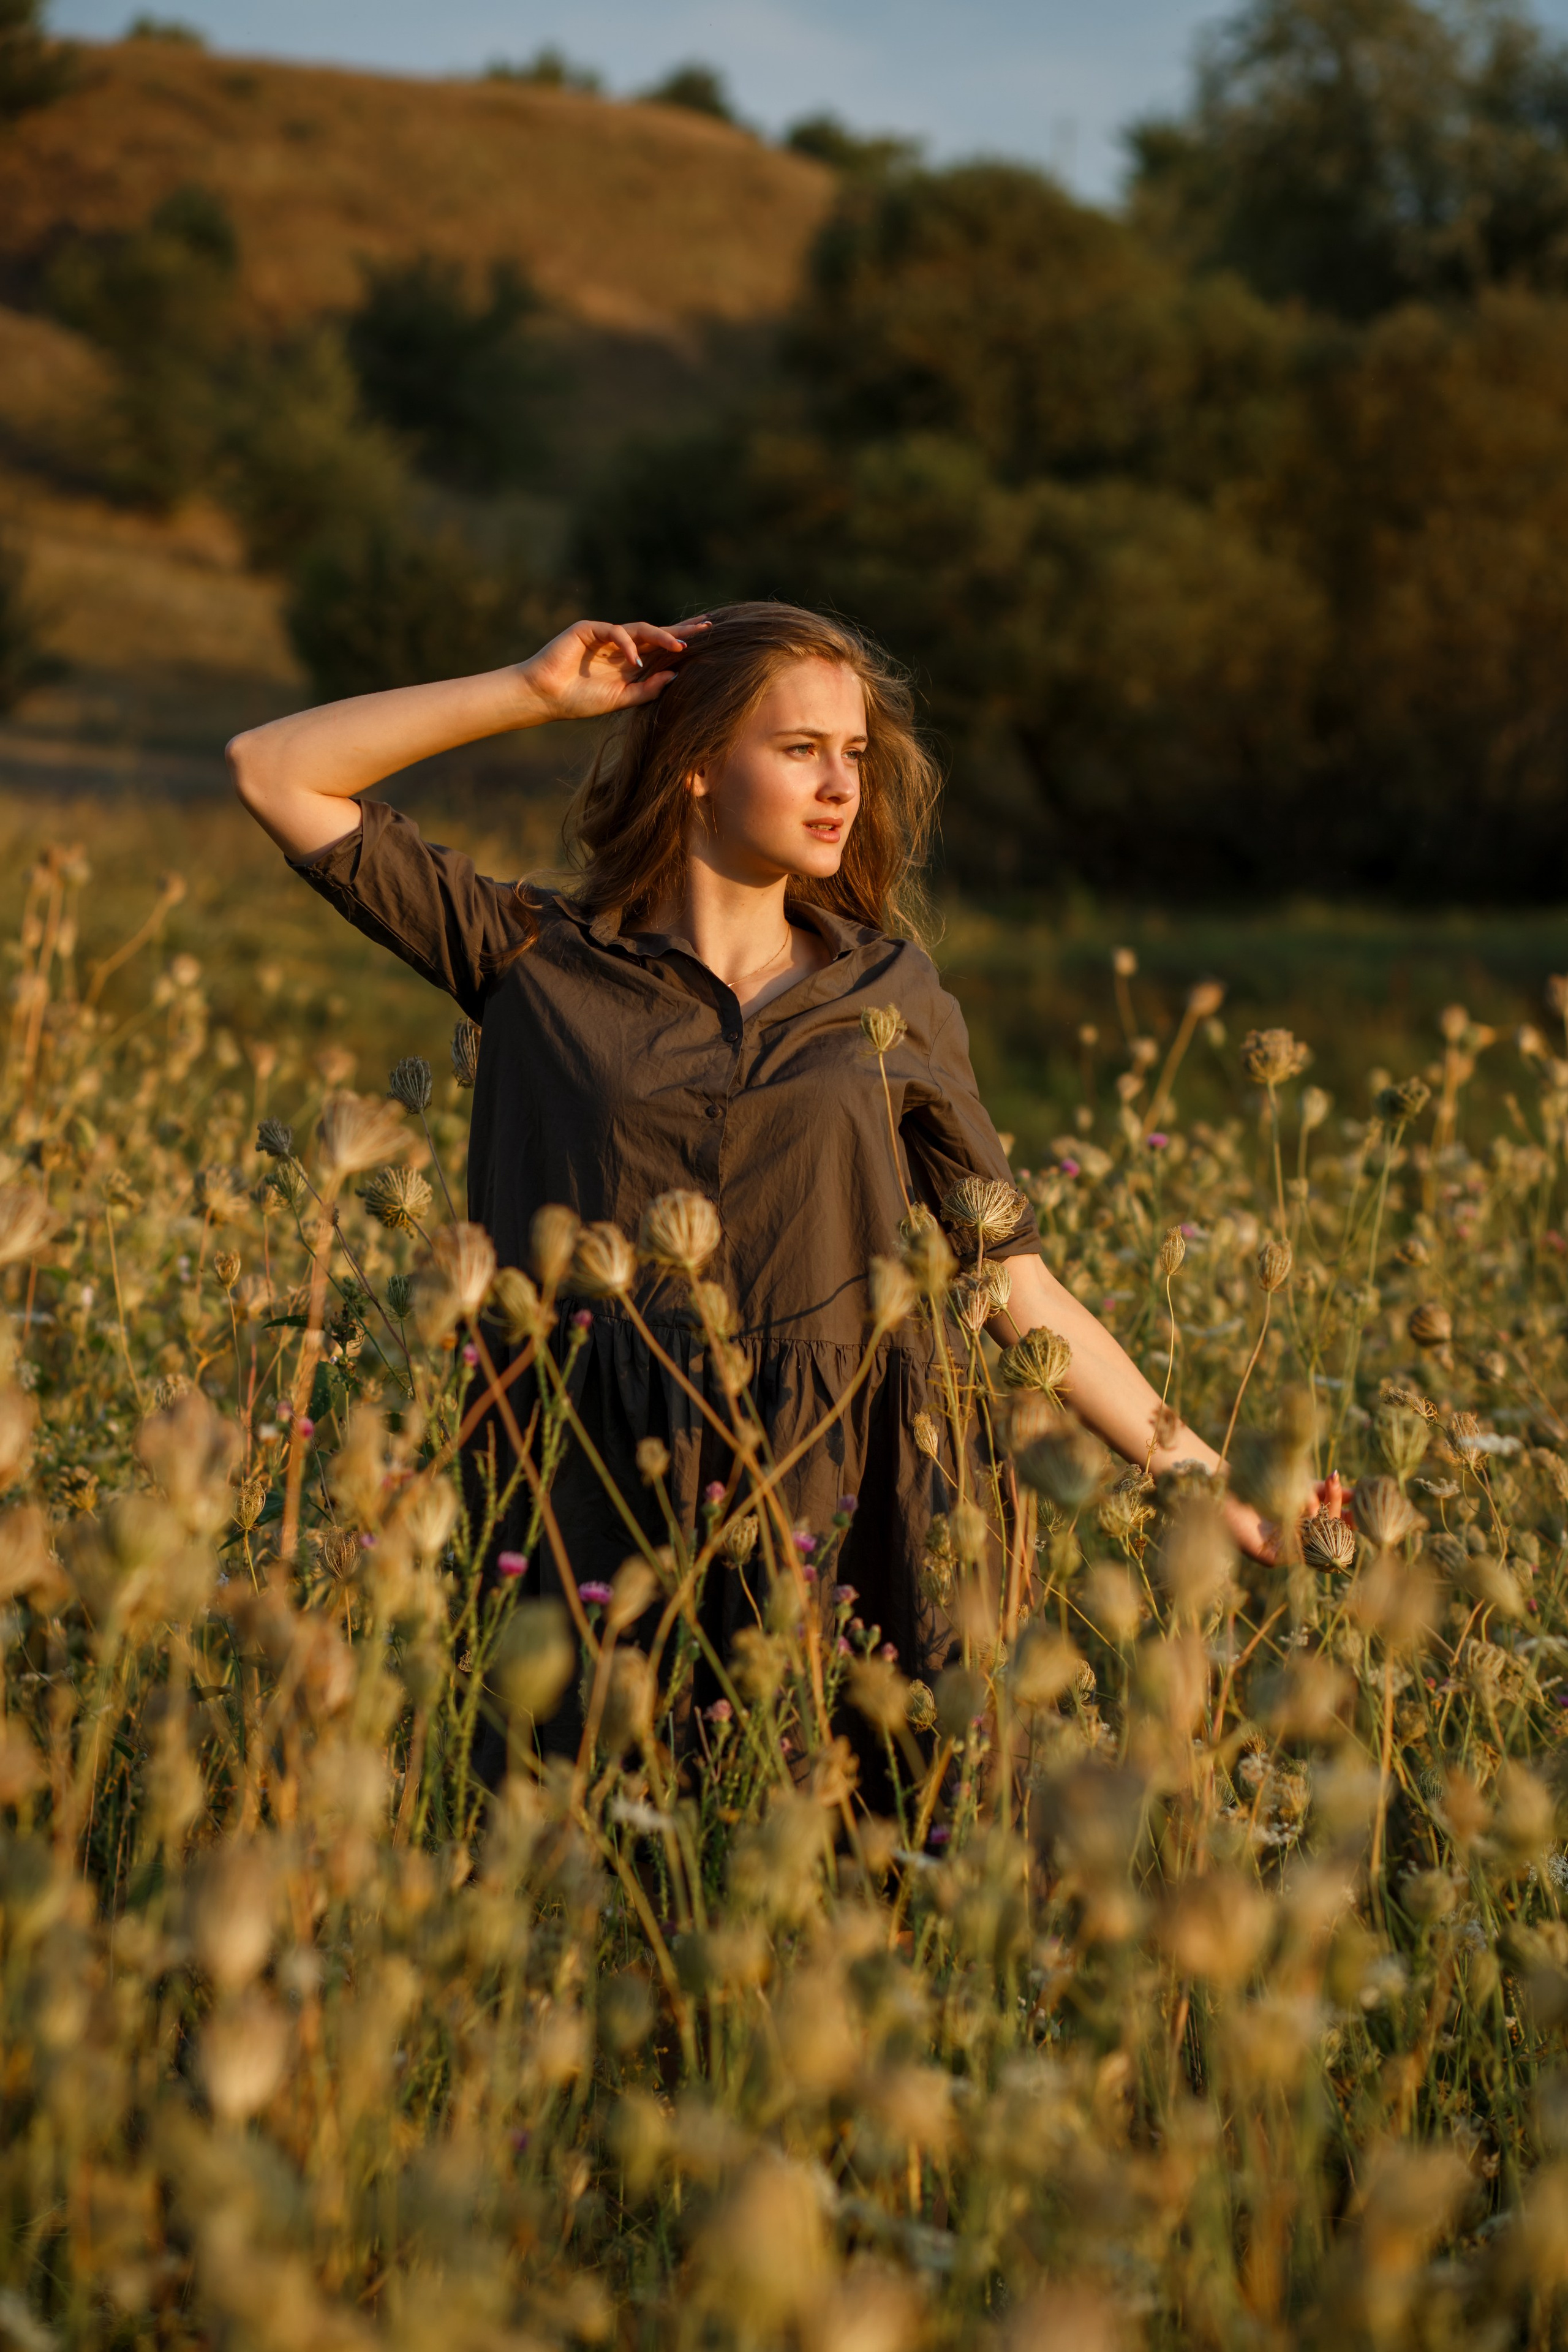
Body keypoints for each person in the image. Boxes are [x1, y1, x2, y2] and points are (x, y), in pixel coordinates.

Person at [228, 600, 1289, 1692]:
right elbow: (273, 768)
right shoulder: (534, 960)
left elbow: (1016, 1281)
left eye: (855, 755)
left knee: (848, 1789)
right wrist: (532, 693)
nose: (841, 788)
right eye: (800, 751)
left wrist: (1206, 1479)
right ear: (696, 766)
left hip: (848, 1494)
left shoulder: (891, 991)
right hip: (594, 1486)